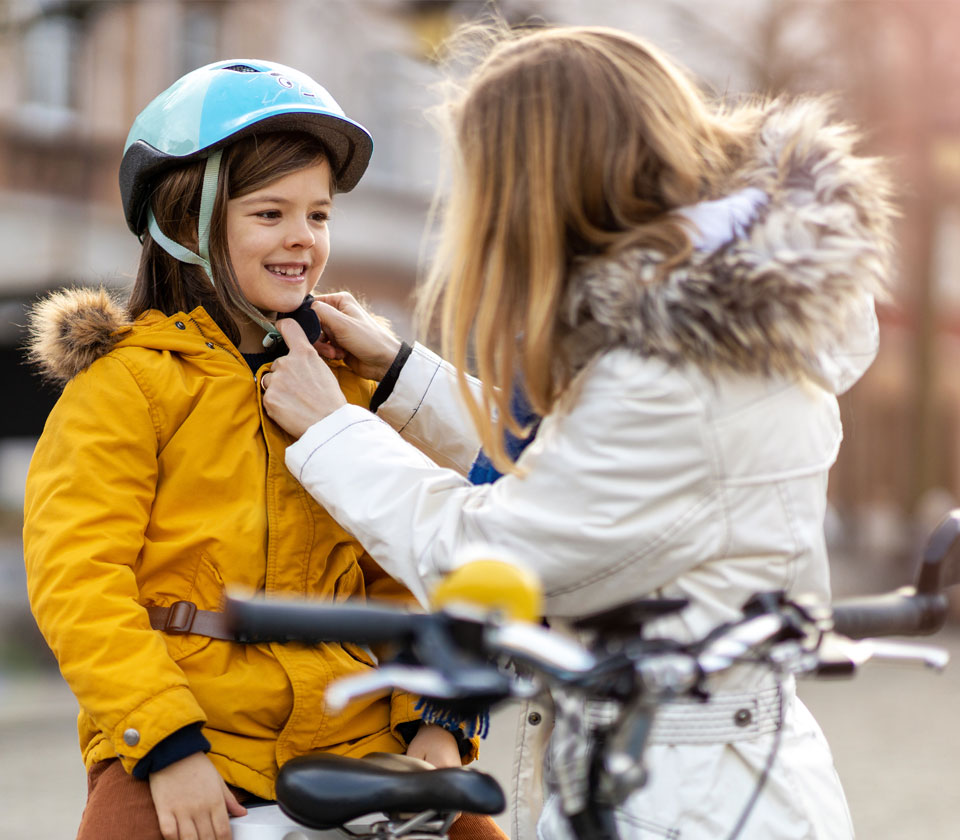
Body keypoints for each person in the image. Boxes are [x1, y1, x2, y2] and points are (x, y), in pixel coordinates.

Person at [258, 24, 895, 840]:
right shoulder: (709, 334)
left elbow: (493, 559)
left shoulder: (670, 378)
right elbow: (576, 469)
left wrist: (336, 431)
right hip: (712, 775)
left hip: (682, 801)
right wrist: (400, 375)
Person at [22, 59, 506, 840]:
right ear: (188, 223)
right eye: (270, 213)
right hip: (194, 740)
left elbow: (410, 562)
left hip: (356, 738)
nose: (301, 239)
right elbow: (78, 582)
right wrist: (165, 745)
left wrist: (436, 726)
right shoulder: (126, 386)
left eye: (318, 216)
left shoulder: (344, 386)